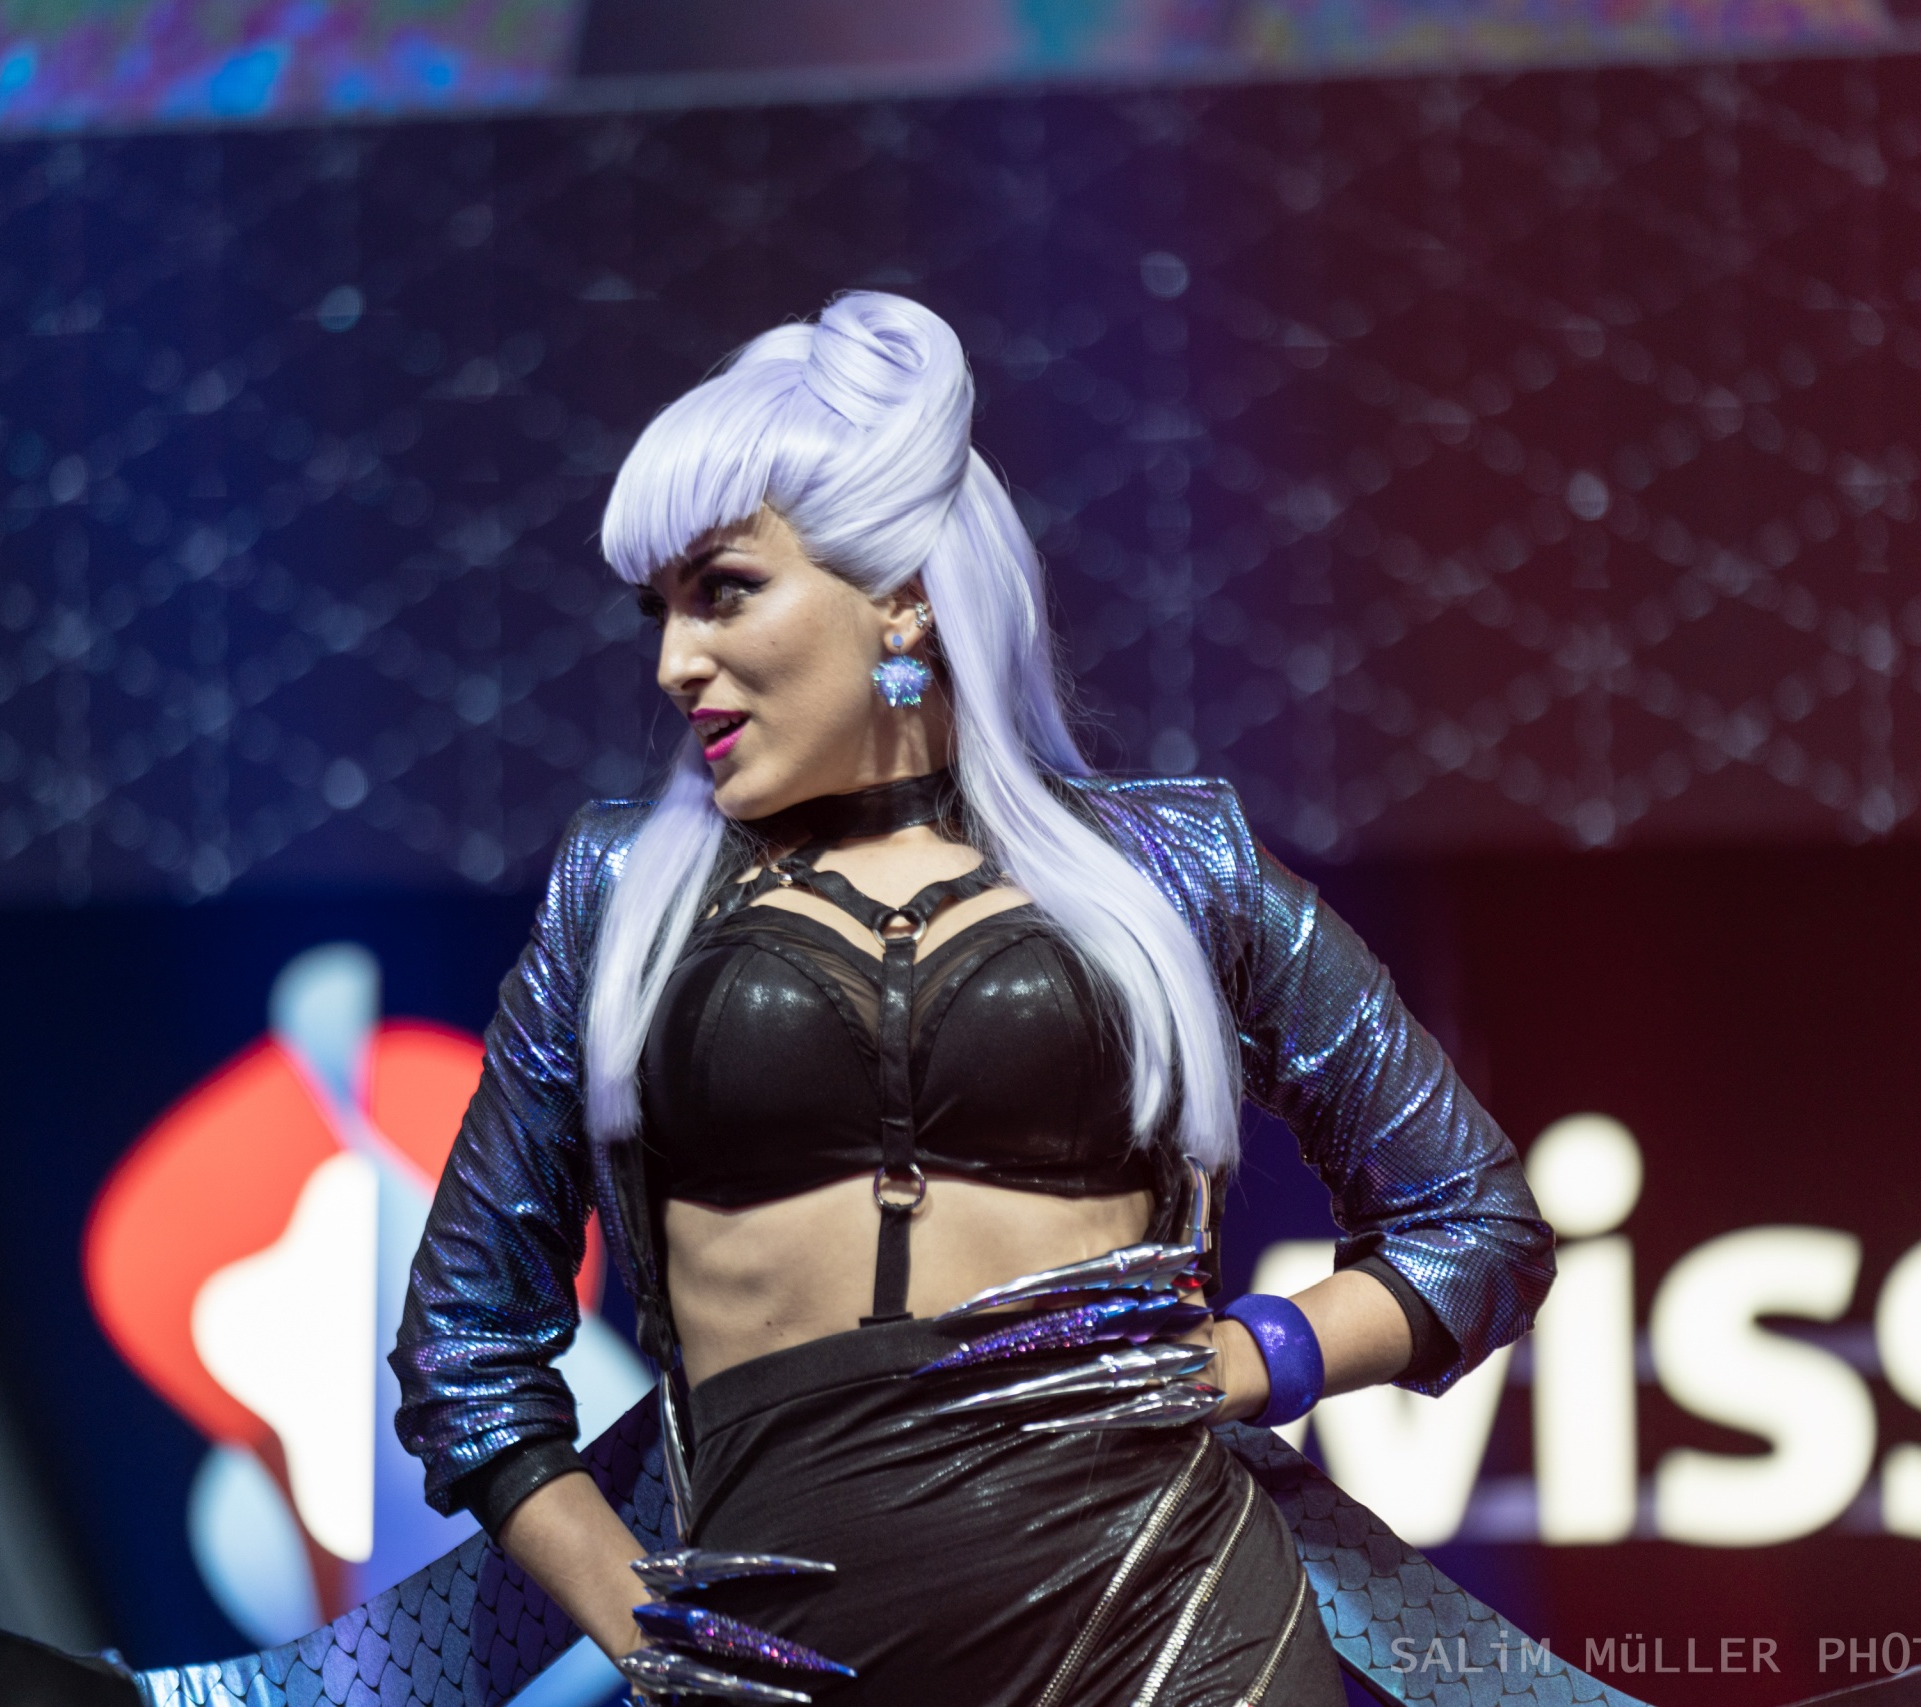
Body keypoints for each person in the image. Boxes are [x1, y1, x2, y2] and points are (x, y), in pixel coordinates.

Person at [390, 291, 1554, 1706]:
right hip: (802, 1678)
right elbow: (465, 1343)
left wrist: (1250, 1358)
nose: (673, 660)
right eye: (661, 608)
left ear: (902, 595)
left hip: (1177, 1636)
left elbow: (1475, 1226)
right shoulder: (621, 894)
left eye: (725, 590)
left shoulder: (1172, 869)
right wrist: (646, 1632)